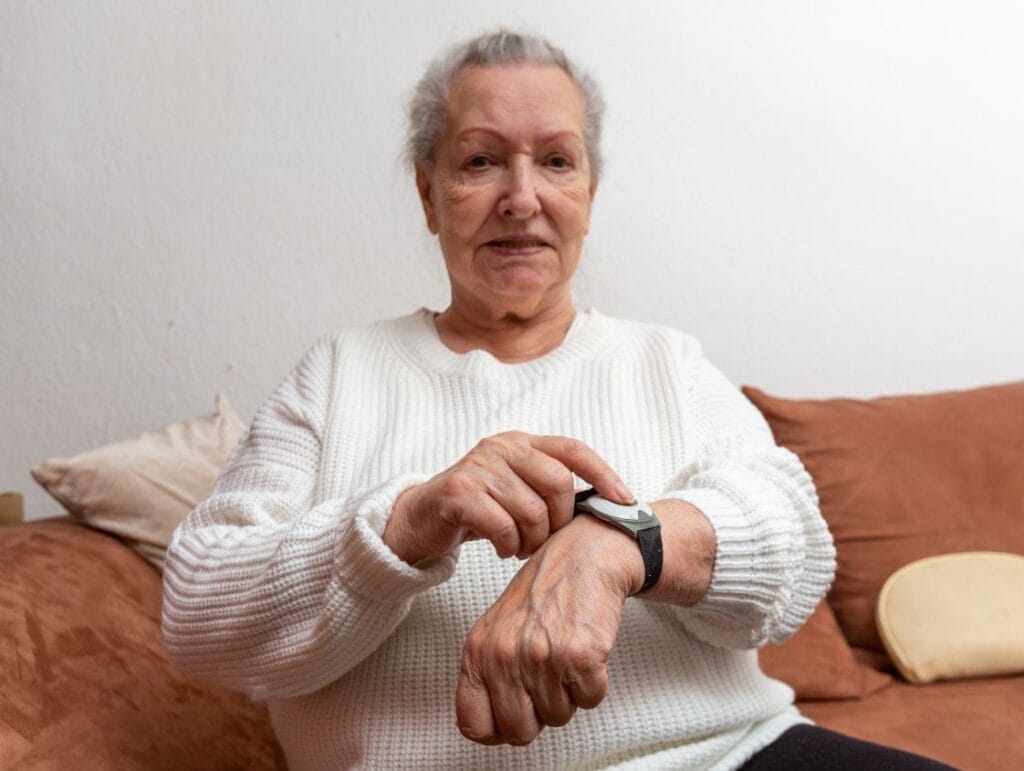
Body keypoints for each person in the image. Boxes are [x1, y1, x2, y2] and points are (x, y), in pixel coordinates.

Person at [162, 30, 952, 770]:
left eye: (556, 162)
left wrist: (616, 545)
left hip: (727, 755)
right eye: (480, 162)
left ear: (589, 193)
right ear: (429, 193)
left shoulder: (663, 360)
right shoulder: (340, 372)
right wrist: (404, 523)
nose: (521, 196)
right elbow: (198, 617)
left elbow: (794, 544)